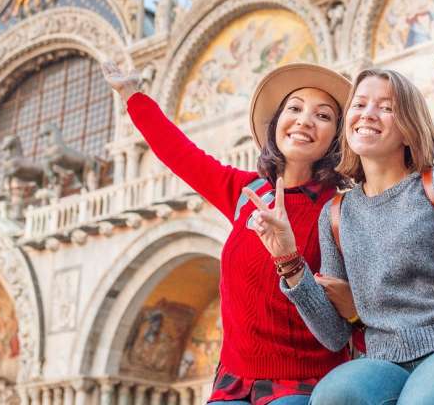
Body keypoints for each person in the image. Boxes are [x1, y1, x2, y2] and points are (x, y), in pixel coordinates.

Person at [242, 68, 434, 405]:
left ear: (407, 128)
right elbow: (333, 334)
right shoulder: (337, 213)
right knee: (332, 395)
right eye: (359, 105)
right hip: (384, 359)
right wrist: (288, 259)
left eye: (386, 107)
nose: (368, 114)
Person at [101, 60, 354, 405]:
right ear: (276, 123)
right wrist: (132, 94)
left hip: (305, 385)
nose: (304, 120)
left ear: (336, 138)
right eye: (294, 108)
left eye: (323, 116)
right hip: (234, 383)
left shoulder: (340, 210)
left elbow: (343, 323)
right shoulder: (245, 192)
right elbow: (179, 153)